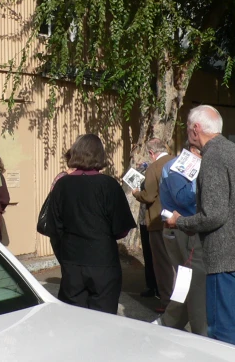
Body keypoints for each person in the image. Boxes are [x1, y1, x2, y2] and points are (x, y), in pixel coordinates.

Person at [166, 105, 235, 350]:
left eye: (189, 127)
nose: (188, 131)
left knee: (222, 327)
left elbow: (213, 215)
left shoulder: (212, 158)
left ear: (196, 129)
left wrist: (179, 221)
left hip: (225, 255)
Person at [47, 134, 137, 314]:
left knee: (73, 319)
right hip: (102, 261)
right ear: (100, 155)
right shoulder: (109, 185)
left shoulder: (62, 185)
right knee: (103, 320)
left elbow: (53, 227)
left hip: (72, 261)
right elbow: (121, 230)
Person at [156, 142, 207, 335]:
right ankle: (197, 331)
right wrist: (202, 180)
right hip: (181, 231)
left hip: (185, 230)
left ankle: (170, 323)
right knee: (194, 282)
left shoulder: (183, 166)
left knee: (188, 281)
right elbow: (182, 198)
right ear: (194, 150)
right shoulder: (179, 166)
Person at [132, 137, 174, 313]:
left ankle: (167, 302)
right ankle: (183, 300)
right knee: (177, 263)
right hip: (179, 221)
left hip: (158, 221)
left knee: (162, 264)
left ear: (151, 152)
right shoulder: (176, 161)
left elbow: (148, 196)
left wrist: (136, 193)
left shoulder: (153, 168)